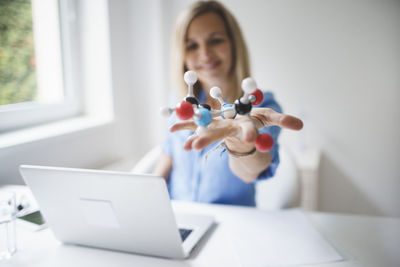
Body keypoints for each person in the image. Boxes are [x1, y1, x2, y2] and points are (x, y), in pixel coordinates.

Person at [153, 0, 303, 206]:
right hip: (178, 216)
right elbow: (169, 154)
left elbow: (251, 171)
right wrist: (149, 196)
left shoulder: (259, 106)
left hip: (230, 225)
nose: (205, 54)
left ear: (234, 43)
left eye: (215, 40)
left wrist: (239, 142)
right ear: (182, 55)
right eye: (192, 45)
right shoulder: (181, 103)